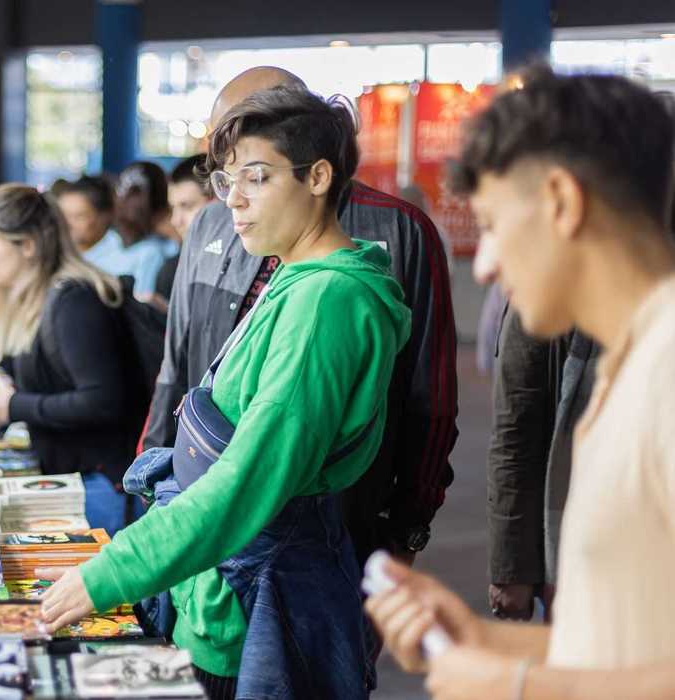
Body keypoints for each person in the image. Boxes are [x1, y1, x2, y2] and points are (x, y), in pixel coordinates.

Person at [40, 88, 411, 700]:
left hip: (254, 606)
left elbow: (246, 480)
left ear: (318, 177)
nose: (234, 199)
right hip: (220, 588)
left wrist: (110, 573)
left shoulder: (326, 301)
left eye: (257, 178)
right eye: (227, 180)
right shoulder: (295, 276)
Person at [367, 66, 675, 700]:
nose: (484, 265)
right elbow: (627, 647)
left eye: (493, 224)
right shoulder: (624, 365)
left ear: (561, 201)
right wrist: (483, 641)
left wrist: (517, 684)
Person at [144, 66, 459, 572]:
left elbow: (430, 395)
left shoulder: (395, 233)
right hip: (202, 513)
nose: (234, 192)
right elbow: (176, 367)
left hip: (329, 525)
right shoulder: (211, 222)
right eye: (224, 166)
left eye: (255, 169)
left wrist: (410, 521)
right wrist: (153, 487)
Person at [0, 184, 144, 537]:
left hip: (103, 487)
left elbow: (102, 401)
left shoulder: (74, 301)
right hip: (73, 481)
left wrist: (13, 405)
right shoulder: (32, 300)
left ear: (28, 245)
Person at [486, 303, 598, 622]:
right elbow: (516, 430)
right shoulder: (541, 296)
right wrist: (512, 566)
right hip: (578, 554)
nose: (485, 277)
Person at [84, 162, 176, 297]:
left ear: (157, 203)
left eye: (135, 191)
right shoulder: (109, 240)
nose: (123, 197)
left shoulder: (160, 251)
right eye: (120, 188)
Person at [154, 154, 213, 305]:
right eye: (172, 208)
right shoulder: (172, 270)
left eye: (187, 206)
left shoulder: (253, 266)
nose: (175, 221)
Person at [56, 176, 114, 257]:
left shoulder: (121, 259)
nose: (67, 223)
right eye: (62, 215)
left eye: (78, 216)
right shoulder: (55, 254)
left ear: (104, 217)